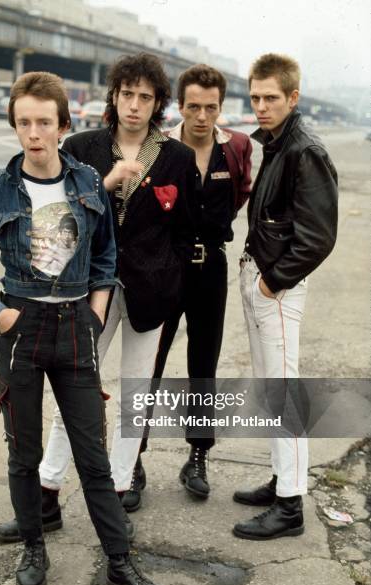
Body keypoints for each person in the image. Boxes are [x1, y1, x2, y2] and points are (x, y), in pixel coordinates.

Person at [0, 71, 168, 585]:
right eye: (23, 122)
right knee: (23, 454)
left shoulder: (88, 182)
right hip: (19, 330)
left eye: (44, 122)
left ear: (63, 125)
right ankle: (33, 549)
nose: (33, 133)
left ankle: (119, 562)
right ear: (16, 127)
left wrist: (94, 318)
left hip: (75, 330)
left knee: (93, 455)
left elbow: (104, 259)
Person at [0, 51, 195, 536]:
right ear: (115, 95)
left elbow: (186, 233)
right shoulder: (83, 146)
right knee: (76, 389)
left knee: (135, 393)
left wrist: (173, 283)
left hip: (152, 291)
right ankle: (47, 492)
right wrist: (105, 184)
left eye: (145, 97)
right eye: (127, 94)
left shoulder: (176, 157)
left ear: (157, 103)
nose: (134, 105)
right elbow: (57, 216)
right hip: (87, 289)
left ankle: (122, 484)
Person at [233, 53, 338, 540]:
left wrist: (271, 282)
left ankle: (290, 506)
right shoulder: (277, 143)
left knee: (282, 390)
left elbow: (317, 237)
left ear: (293, 97)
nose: (260, 106)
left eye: (270, 97)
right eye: (254, 97)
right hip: (264, 277)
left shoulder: (304, 149)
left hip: (278, 284)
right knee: (270, 387)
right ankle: (282, 481)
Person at [139, 64, 252, 503]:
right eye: (192, 107)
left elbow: (240, 193)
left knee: (204, 366)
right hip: (166, 270)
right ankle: (134, 457)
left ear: (221, 107)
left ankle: (198, 457)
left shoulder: (236, 147)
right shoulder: (160, 147)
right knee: (150, 363)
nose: (201, 116)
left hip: (212, 271)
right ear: (179, 106)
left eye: (210, 108)